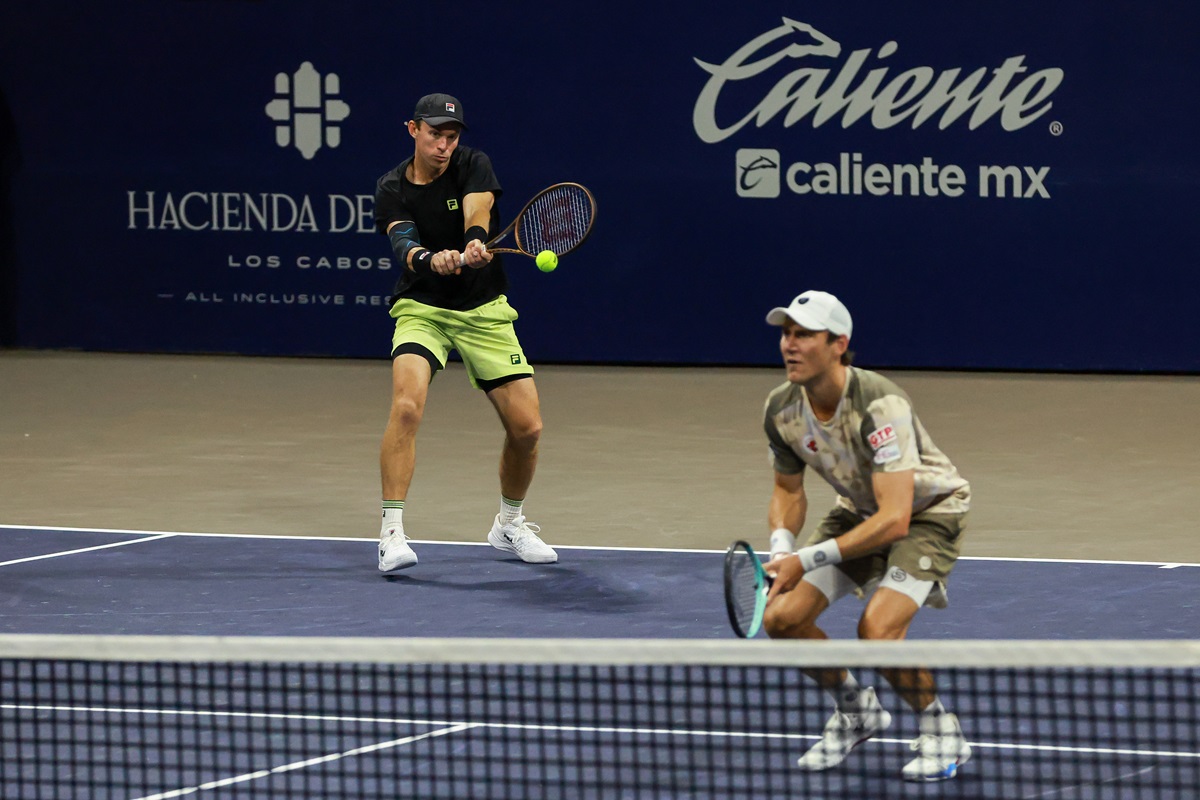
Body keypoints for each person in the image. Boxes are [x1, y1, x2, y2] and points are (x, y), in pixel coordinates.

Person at [759, 290, 972, 782]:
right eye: (786, 334)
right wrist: (782, 548)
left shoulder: (880, 403)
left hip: (928, 514)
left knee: (878, 631)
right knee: (783, 619)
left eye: (804, 334)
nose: (790, 344)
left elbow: (896, 519)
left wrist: (805, 561)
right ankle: (858, 711)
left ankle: (942, 732)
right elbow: (787, 490)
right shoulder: (781, 408)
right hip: (858, 511)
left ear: (839, 344)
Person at [371, 93, 557, 571]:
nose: (444, 145)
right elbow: (403, 243)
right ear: (413, 129)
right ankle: (391, 534)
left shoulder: (473, 164)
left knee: (528, 428)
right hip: (423, 309)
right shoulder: (391, 187)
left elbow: (479, 210)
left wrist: (474, 241)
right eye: (435, 134)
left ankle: (508, 525)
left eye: (451, 137)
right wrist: (430, 259)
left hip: (483, 308)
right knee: (406, 406)